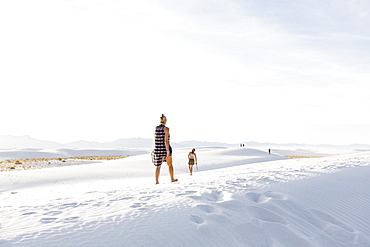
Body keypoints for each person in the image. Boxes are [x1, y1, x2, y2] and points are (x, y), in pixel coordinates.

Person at [153, 114, 178, 184]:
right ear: (165, 121)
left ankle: (157, 181)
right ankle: (172, 179)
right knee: (170, 164)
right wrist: (167, 152)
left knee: (158, 166)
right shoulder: (166, 129)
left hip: (157, 149)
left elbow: (155, 139)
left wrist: (157, 148)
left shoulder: (156, 128)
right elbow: (166, 141)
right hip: (165, 149)